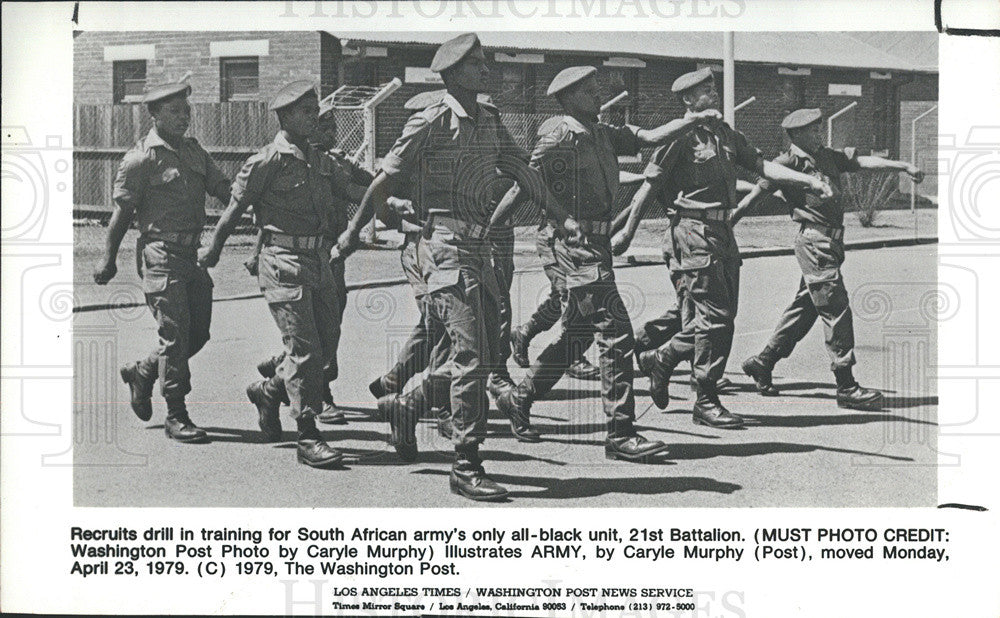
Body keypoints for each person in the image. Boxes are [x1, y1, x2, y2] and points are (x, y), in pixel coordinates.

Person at [338, 34, 540, 501]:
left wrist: (558, 210)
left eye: (486, 63)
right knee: (469, 355)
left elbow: (523, 171)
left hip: (478, 249)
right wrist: (353, 232)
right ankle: (466, 464)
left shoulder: (490, 121)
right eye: (477, 65)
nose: (487, 71)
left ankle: (408, 405)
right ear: (453, 73)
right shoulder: (429, 120)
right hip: (442, 248)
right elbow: (384, 178)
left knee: (488, 355)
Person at [492, 66, 725, 461]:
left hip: (597, 244)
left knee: (579, 334)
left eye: (598, 86)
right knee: (616, 332)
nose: (600, 92)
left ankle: (519, 397)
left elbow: (649, 137)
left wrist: (693, 120)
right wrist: (494, 227)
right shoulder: (560, 134)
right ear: (569, 97)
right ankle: (620, 431)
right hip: (575, 243)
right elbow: (527, 180)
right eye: (590, 89)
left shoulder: (601, 132)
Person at [635, 68, 832, 429]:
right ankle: (705, 399)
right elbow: (649, 186)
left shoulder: (726, 134)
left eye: (713, 88)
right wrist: (626, 231)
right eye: (705, 90)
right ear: (688, 100)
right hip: (692, 232)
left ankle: (663, 356)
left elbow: (762, 166)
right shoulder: (680, 136)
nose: (713, 94)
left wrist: (806, 179)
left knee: (721, 320)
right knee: (715, 320)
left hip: (722, 231)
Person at [198, 81, 345, 468]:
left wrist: (390, 200)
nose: (315, 116)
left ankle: (269, 390)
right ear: (286, 117)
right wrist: (213, 248)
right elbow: (234, 209)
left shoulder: (318, 158)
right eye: (307, 111)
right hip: (282, 262)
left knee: (327, 345)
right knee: (305, 350)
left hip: (319, 262)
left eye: (316, 109)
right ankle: (308, 435)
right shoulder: (265, 161)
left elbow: (352, 187)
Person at [738, 107, 923, 410]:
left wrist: (901, 165)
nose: (818, 133)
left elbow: (862, 162)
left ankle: (763, 362)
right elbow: (752, 198)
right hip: (814, 242)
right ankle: (846, 386)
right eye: (811, 129)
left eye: (819, 127)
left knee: (806, 308)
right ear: (795, 134)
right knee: (836, 309)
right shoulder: (787, 163)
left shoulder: (826, 156)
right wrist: (727, 224)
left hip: (833, 244)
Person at [94, 82, 230, 444]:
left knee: (197, 334)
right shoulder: (140, 159)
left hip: (192, 256)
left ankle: (143, 371)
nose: (184, 117)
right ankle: (176, 414)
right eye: (175, 111)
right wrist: (108, 260)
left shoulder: (194, 151)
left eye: (187, 110)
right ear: (154, 115)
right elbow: (121, 214)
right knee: (175, 335)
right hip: (160, 255)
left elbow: (224, 188)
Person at [253, 96, 375, 426]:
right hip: (295, 256)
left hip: (331, 255)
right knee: (310, 340)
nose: (330, 132)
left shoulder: (335, 162)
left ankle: (273, 385)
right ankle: (319, 399)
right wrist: (255, 255)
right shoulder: (283, 161)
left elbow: (365, 184)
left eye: (332, 126)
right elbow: (265, 213)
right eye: (323, 125)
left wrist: (390, 191)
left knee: (328, 331)